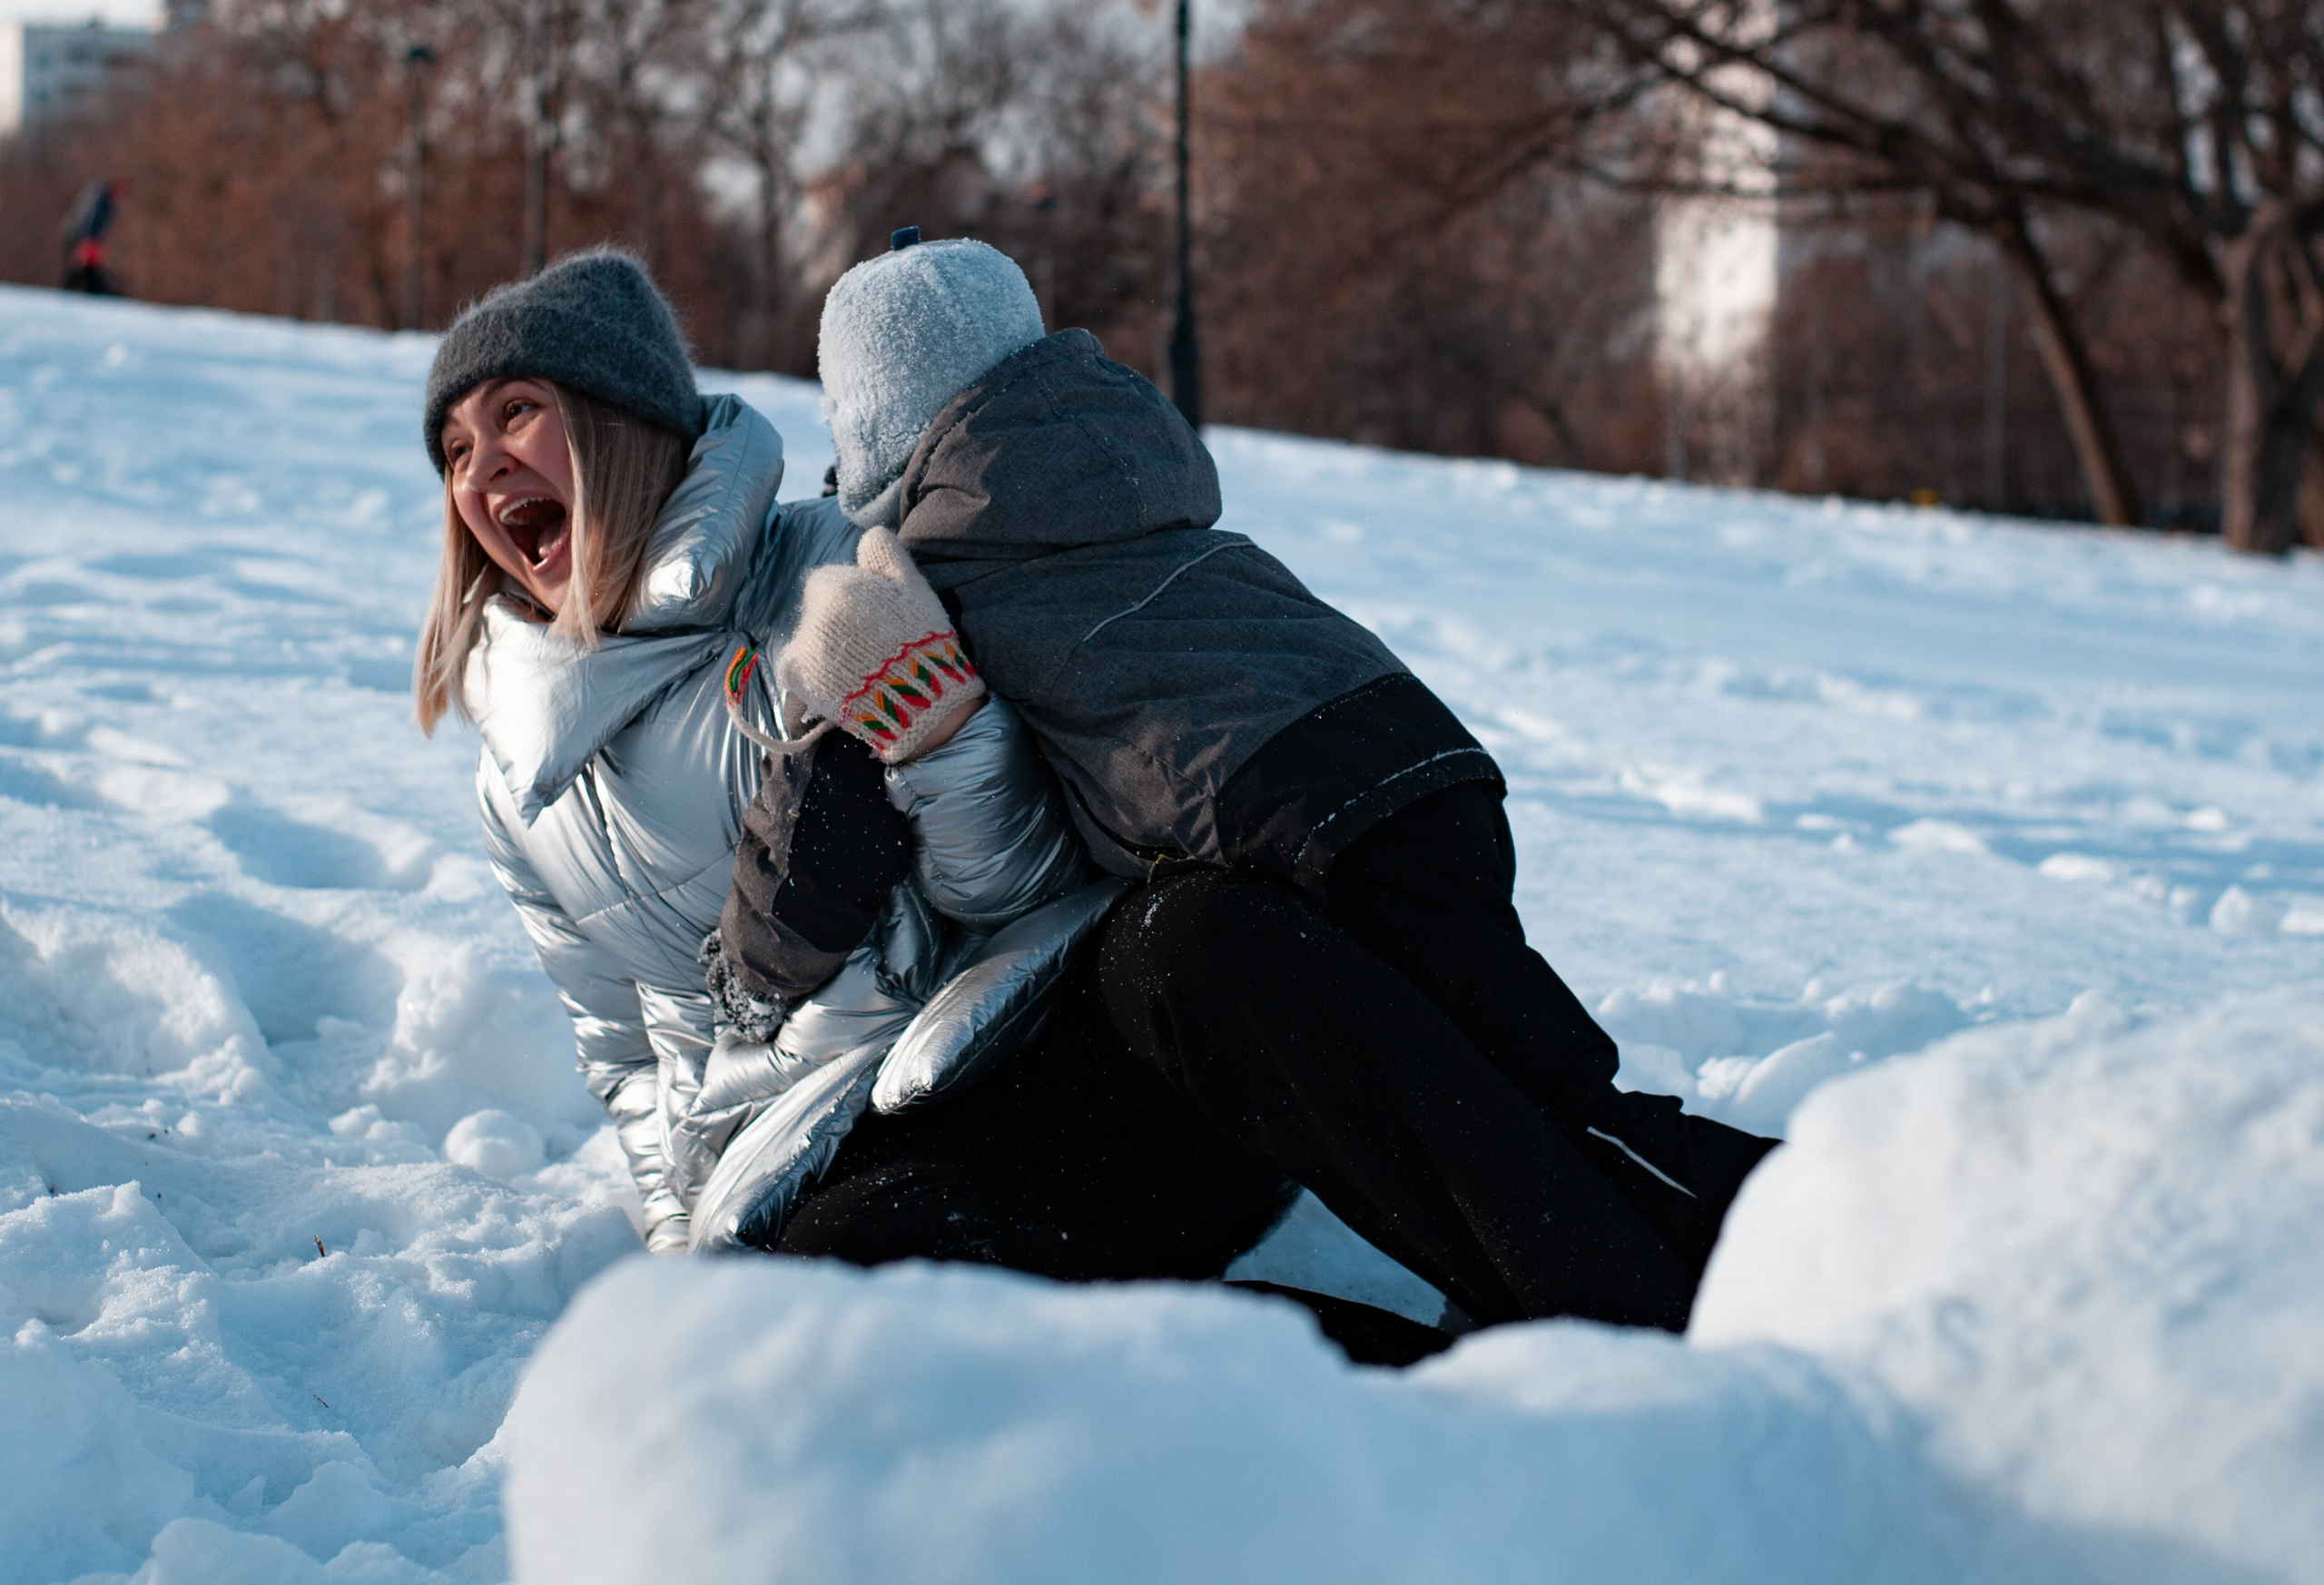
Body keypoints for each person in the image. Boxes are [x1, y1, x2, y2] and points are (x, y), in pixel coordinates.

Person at [809, 228, 1781, 1333]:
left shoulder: (941, 568)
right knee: (1512, 1093)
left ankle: (1800, 1240)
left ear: (873, 428)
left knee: (1542, 1114)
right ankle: (1726, 1260)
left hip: (1288, 815)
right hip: (1407, 752)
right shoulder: (1124, 471)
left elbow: (865, 774)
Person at [413, 249, 1292, 1292]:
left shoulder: (837, 566)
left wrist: (940, 736)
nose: (481, 469)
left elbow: (1029, 891)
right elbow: (628, 1061)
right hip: (802, 1164)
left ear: (625, 420)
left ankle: (1387, 1375)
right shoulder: (519, 787)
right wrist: (679, 1248)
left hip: (1026, 1064)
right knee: (833, 1287)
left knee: (884, 1265)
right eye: (454, 451)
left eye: (516, 413)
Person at [62, 179, 122, 295]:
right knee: (79, 271)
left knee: (88, 273)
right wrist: (83, 245)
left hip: (86, 240)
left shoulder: (105, 201)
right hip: (80, 239)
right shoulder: (99, 201)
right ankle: (66, 297)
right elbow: (86, 222)